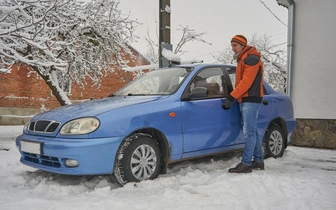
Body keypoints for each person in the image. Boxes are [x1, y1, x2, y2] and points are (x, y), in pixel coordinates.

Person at [222, 35, 265, 173]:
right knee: (253, 131)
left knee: (249, 132)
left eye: (235, 45)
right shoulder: (243, 58)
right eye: (232, 45)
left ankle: (246, 163)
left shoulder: (251, 59)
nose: (232, 48)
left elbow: (246, 82)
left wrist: (231, 96)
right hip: (246, 99)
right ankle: (258, 160)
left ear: (242, 45)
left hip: (251, 99)